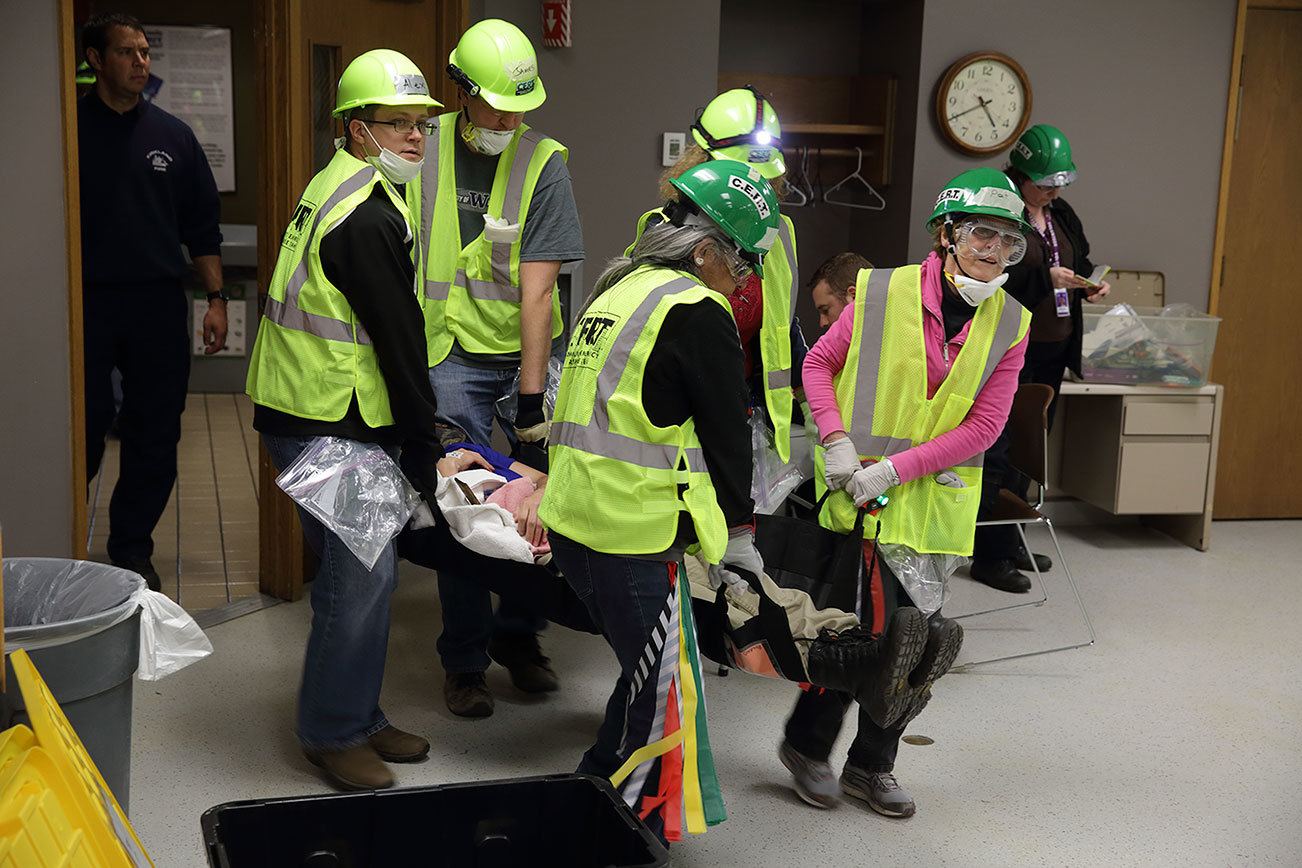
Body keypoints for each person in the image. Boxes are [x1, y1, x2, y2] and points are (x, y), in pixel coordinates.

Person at [538, 160, 781, 845]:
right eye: (740, 263)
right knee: (661, 686)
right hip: (629, 533)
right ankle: (627, 828)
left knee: (648, 667)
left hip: (577, 521)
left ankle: (594, 783)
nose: (745, 281)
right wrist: (737, 534)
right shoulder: (695, 309)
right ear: (705, 251)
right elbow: (728, 434)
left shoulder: (621, 287)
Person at [779, 169, 1033, 819]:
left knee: (916, 644)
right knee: (863, 636)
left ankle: (871, 767)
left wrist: (897, 470)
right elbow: (817, 365)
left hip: (931, 507)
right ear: (946, 233)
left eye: (1010, 241)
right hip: (858, 502)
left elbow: (985, 426)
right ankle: (809, 748)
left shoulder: (1011, 323)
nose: (995, 251)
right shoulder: (881, 291)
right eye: (983, 233)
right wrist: (834, 439)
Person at [245, 49, 445, 791]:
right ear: (358, 130)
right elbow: (400, 344)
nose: (416, 138)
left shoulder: (344, 184)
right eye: (397, 124)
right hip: (321, 417)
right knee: (362, 573)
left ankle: (357, 715)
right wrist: (425, 446)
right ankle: (332, 732)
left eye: (421, 124)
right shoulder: (363, 216)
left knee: (358, 570)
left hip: (315, 409)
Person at [410, 18, 584, 713]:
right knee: (468, 502)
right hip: (448, 352)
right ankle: (464, 661)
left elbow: (538, 290)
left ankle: (520, 636)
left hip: (527, 354)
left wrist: (535, 403)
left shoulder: (545, 164)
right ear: (461, 90)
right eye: (495, 105)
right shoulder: (421, 151)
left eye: (520, 106)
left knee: (544, 499)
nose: (508, 119)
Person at [79, 12, 227, 591]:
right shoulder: (69, 131)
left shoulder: (172, 135)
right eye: (126, 53)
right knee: (82, 428)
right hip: (84, 306)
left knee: (156, 430)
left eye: (145, 52)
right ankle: (62, 533)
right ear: (95, 60)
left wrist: (215, 298)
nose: (141, 62)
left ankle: (131, 547)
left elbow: (202, 227)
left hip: (158, 303)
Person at [970, 124, 1112, 593]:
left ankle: (1013, 544)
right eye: (1045, 182)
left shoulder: (1058, 210)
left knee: (1031, 452)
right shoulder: (1001, 208)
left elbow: (1081, 256)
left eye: (1060, 182)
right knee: (1002, 452)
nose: (1053, 190)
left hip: (1053, 349)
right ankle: (990, 555)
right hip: (1014, 347)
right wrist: (1046, 280)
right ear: (1021, 173)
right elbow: (990, 277)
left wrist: (1090, 281)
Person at [638, 86, 806, 463]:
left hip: (754, 421)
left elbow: (783, 326)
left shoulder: (781, 234)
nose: (755, 187)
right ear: (702, 161)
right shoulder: (664, 228)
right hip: (680, 421)